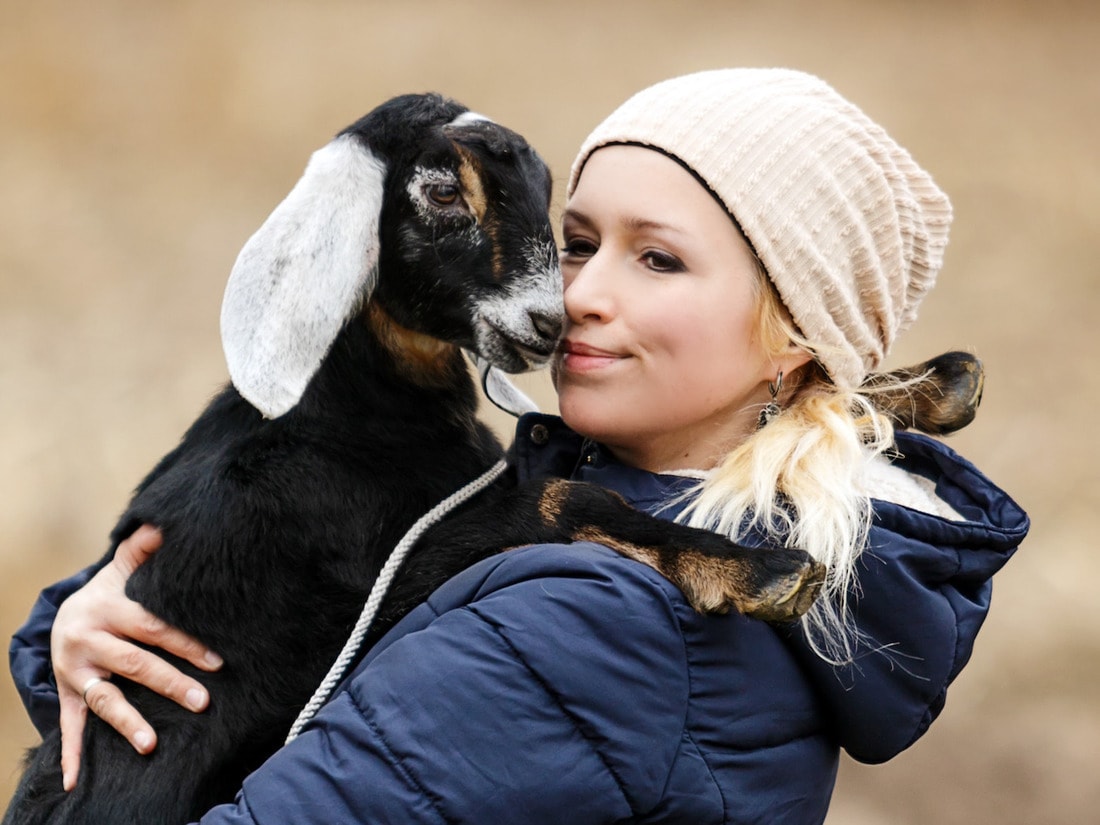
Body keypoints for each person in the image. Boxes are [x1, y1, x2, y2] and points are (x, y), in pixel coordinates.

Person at [9, 68, 1028, 823]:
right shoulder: (643, 509)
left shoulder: (593, 621)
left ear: (795, 341)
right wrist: (76, 621)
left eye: (659, 259)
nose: (574, 294)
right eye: (576, 241)